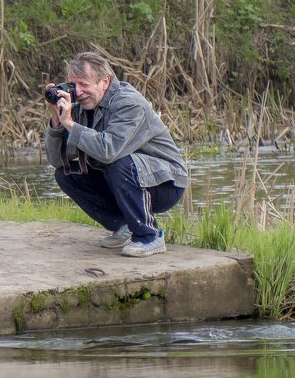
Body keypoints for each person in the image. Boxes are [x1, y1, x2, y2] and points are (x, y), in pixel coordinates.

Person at [44, 51, 189, 257]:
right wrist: (57, 121)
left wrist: (70, 124)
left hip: (166, 182)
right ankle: (125, 226)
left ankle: (149, 235)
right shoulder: (80, 104)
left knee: (119, 163)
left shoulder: (129, 103)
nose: (78, 92)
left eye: (84, 84)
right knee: (66, 173)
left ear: (105, 82)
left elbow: (108, 151)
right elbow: (57, 161)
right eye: (73, 85)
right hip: (123, 175)